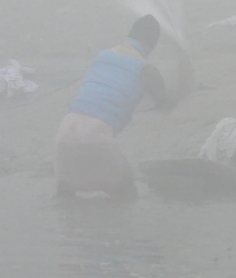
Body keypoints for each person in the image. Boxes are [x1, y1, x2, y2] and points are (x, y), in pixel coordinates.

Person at [55, 15, 182, 200]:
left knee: (64, 199)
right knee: (126, 195)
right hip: (97, 136)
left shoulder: (103, 56)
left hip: (65, 131)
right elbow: (164, 104)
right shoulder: (146, 69)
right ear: (153, 43)